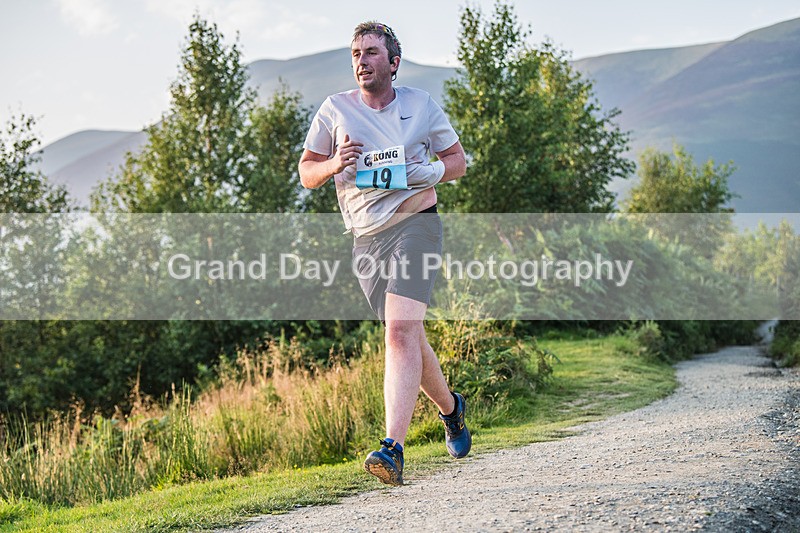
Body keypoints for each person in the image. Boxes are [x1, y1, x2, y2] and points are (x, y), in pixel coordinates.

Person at [298, 21, 470, 486]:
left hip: (418, 225)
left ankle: (392, 447)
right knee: (408, 337)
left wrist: (425, 172)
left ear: (393, 63)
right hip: (367, 239)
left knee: (399, 332)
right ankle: (452, 409)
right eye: (356, 53)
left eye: (372, 52)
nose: (362, 60)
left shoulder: (420, 105)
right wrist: (336, 163)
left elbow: (458, 160)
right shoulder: (335, 110)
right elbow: (307, 173)